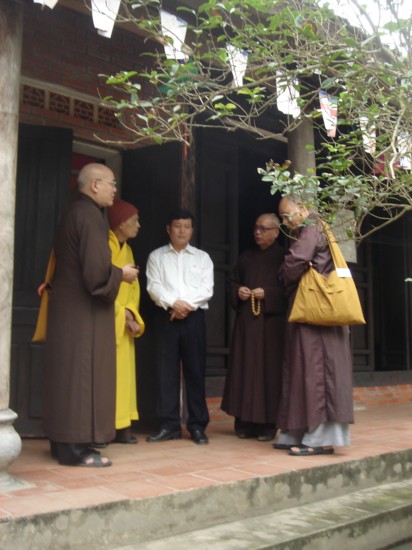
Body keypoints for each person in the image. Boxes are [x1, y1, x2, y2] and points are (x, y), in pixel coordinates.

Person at [43, 163, 138, 467]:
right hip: (82, 313)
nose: (114, 190)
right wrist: (121, 274)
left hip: (67, 309)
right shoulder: (91, 217)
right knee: (81, 376)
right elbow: (96, 274)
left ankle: (62, 444)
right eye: (111, 184)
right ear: (95, 185)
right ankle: (77, 450)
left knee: (67, 376)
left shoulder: (72, 213)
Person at [275, 195, 354, 456]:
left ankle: (319, 439)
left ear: (303, 209)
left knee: (317, 376)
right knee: (303, 372)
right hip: (313, 314)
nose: (285, 222)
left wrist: (282, 273)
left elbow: (294, 263)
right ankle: (296, 431)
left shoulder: (312, 228)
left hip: (319, 318)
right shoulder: (313, 230)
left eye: (287, 215)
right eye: (282, 218)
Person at [146, 209, 214, 445]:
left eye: (186, 226)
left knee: (195, 372)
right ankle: (169, 424)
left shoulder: (202, 258)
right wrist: (173, 303)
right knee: (166, 372)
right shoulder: (156, 257)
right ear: (169, 229)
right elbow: (153, 287)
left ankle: (197, 425)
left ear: (192, 230)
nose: (182, 231)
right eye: (177, 226)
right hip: (166, 317)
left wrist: (185, 306)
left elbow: (207, 289)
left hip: (193, 319)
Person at [221, 213, 286, 441]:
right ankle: (243, 422)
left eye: (263, 229)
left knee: (269, 373)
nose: (258, 232)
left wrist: (268, 294)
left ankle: (268, 425)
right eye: (256, 228)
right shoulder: (246, 256)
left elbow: (290, 289)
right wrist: (238, 291)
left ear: (276, 232)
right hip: (247, 325)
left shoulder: (284, 257)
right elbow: (232, 282)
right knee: (244, 370)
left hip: (271, 327)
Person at [107, 198, 145, 445]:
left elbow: (134, 288)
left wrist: (131, 312)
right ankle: (106, 426)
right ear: (121, 223)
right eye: (134, 221)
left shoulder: (128, 250)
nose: (138, 225)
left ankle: (123, 427)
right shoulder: (104, 246)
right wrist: (120, 312)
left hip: (123, 322)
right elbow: (100, 280)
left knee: (125, 380)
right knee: (107, 378)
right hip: (107, 320)